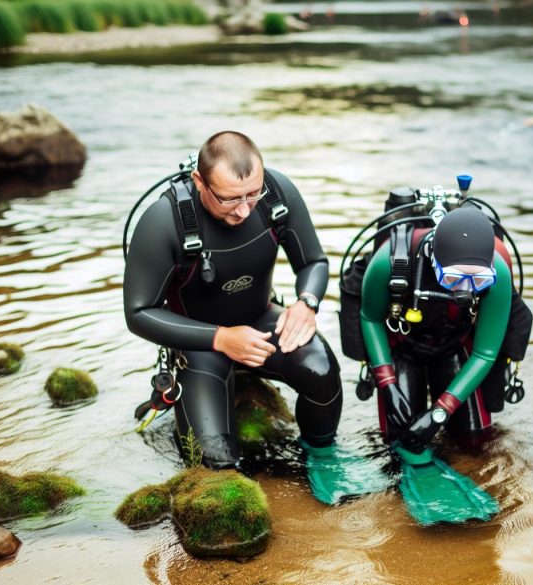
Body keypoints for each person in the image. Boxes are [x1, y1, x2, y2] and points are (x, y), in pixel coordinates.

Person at [123, 131, 382, 503]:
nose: (244, 210)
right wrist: (220, 338)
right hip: (197, 342)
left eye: (252, 195)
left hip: (260, 320)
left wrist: (306, 302)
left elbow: (313, 262)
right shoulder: (164, 221)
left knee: (322, 369)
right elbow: (138, 313)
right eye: (230, 199)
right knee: (214, 462)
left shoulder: (276, 193)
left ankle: (322, 456)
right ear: (200, 182)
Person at [359, 207, 521, 454]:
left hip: (455, 345)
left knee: (475, 442)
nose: (465, 290)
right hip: (402, 347)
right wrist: (388, 383)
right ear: (434, 258)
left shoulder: (498, 272)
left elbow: (486, 353)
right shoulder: (387, 263)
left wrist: (439, 412)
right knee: (398, 443)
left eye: (478, 280)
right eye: (453, 278)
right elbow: (370, 319)